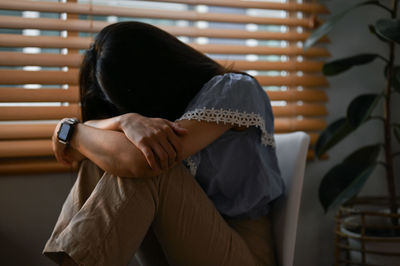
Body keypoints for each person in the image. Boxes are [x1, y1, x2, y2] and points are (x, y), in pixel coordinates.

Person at [43, 21, 284, 266]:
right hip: (180, 241)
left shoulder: (234, 89)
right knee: (103, 159)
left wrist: (70, 131)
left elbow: (141, 161)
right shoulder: (155, 123)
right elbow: (73, 155)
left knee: (152, 163)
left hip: (245, 251)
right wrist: (124, 121)